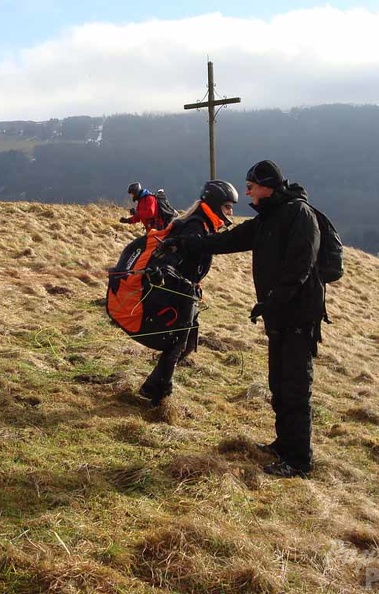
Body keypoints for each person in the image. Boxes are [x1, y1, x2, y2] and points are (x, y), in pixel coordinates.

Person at [161, 160, 324, 478]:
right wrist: (185, 240)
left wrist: (273, 300)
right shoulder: (267, 218)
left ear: (267, 186)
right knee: (278, 382)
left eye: (250, 185)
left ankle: (299, 460)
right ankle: (283, 445)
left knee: (294, 386)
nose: (246, 191)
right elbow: (226, 241)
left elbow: (301, 266)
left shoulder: (299, 215)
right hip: (278, 314)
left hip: (300, 316)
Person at [139, 180, 238, 406]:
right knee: (179, 344)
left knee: (187, 343)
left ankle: (152, 387)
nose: (231, 212)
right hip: (180, 291)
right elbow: (178, 256)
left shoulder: (203, 224)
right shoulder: (197, 225)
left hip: (186, 290)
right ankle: (159, 393)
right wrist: (185, 285)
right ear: (214, 204)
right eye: (227, 206)